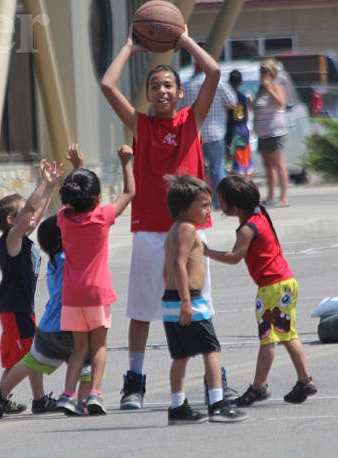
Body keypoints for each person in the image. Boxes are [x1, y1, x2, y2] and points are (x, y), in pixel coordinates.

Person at [100, 28, 236, 410]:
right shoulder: (141, 125)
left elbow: (212, 73)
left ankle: (216, 380)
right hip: (149, 229)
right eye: (155, 85)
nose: (162, 91)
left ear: (180, 93)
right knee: (143, 310)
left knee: (200, 305)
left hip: (192, 232)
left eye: (168, 86)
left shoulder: (192, 120)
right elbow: (108, 85)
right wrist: (129, 46)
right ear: (148, 94)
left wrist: (186, 41)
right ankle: (135, 381)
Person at [204, 175, 317, 406]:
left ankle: (258, 387)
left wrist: (206, 252)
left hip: (272, 287)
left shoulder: (247, 229)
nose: (218, 204)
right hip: (285, 282)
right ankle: (305, 380)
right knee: (287, 334)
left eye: (221, 200)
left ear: (233, 207)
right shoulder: (260, 215)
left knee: (269, 339)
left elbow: (235, 257)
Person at [55, 144, 136, 416]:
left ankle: (67, 395)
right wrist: (126, 162)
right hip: (97, 293)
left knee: (79, 349)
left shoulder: (63, 220)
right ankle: (95, 395)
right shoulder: (102, 217)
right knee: (99, 345)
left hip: (72, 295)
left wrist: (77, 167)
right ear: (98, 198)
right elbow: (129, 193)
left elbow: (74, 199)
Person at [162, 174, 247, 424]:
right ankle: (217, 403)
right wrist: (186, 301)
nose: (209, 210)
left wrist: (173, 299)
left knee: (180, 356)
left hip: (170, 299)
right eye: (203, 205)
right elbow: (178, 264)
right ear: (184, 208)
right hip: (189, 300)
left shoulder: (174, 230)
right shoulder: (188, 229)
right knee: (212, 350)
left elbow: (167, 268)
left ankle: (178, 407)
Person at [0, 159, 63, 416]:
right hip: (15, 308)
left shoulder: (23, 238)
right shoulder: (12, 239)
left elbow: (34, 213)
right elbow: (30, 208)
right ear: (11, 220)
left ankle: (32, 398)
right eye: (23, 212)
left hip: (20, 307)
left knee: (25, 355)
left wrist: (50, 187)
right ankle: (0, 395)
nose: (32, 215)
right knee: (33, 354)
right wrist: (42, 182)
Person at [177, 62, 237, 208]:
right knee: (217, 168)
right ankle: (220, 201)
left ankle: (197, 202)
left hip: (195, 133)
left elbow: (180, 108)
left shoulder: (188, 86)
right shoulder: (220, 85)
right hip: (216, 132)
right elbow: (233, 102)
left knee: (197, 169)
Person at [252, 59, 290, 207]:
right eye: (261, 71)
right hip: (263, 132)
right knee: (268, 166)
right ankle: (271, 195)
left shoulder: (276, 86)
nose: (263, 74)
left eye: (265, 71)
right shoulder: (260, 89)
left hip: (275, 131)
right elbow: (256, 106)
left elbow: (281, 103)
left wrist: (269, 88)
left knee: (278, 164)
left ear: (272, 73)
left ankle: (284, 197)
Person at [225, 69, 253, 176]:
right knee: (244, 160)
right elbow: (244, 117)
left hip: (233, 131)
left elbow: (234, 117)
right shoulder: (241, 97)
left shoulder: (231, 97)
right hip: (243, 130)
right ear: (240, 82)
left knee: (234, 161)